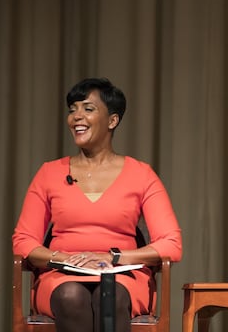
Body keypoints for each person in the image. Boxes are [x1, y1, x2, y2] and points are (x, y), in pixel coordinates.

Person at [13, 77, 182, 332]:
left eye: (87, 109)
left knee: (110, 295)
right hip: (60, 276)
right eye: (72, 110)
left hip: (123, 276)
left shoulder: (141, 174)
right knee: (71, 296)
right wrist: (63, 258)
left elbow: (171, 245)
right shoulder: (49, 173)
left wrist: (113, 257)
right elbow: (24, 241)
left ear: (112, 120)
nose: (76, 117)